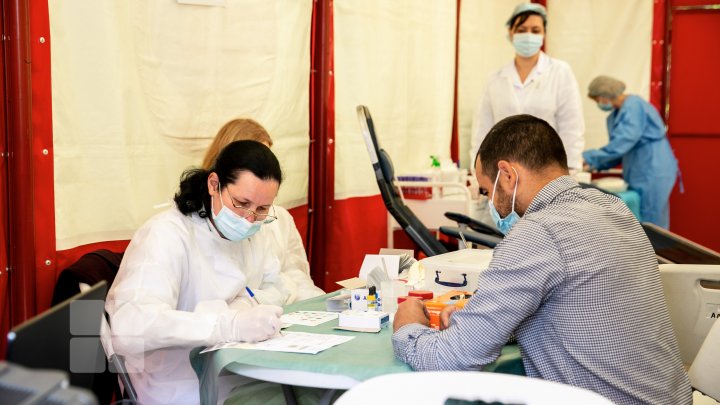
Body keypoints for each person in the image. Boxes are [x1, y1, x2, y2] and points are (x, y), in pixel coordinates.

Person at [393, 115, 692, 405]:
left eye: (487, 191)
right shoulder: (613, 207)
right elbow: (576, 304)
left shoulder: (538, 232)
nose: (489, 202)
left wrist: (407, 327)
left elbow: (451, 359)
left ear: (507, 175)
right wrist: (483, 317)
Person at [106, 141, 290, 405]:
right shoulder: (167, 235)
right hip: (178, 380)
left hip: (241, 366)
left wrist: (248, 303)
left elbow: (278, 287)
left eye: (261, 210)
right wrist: (226, 324)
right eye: (241, 203)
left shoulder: (253, 233)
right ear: (214, 185)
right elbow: (132, 327)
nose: (249, 219)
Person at [203, 118, 324, 302]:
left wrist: (320, 305)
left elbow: (296, 275)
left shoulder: (278, 218)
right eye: (242, 203)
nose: (250, 218)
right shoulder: (194, 225)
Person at [470, 3, 585, 171]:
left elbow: (572, 128)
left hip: (548, 171)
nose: (528, 35)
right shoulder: (495, 79)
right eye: (522, 30)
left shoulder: (560, 72)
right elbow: (482, 131)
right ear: (511, 33)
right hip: (504, 171)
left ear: (544, 34)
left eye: (535, 30)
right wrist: (478, 171)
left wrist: (571, 170)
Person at [583, 75, 679, 229]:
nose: (598, 103)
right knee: (640, 220)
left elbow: (624, 142)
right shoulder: (616, 114)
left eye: (597, 99)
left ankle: (655, 253)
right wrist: (594, 165)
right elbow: (618, 151)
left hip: (652, 169)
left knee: (651, 222)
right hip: (640, 170)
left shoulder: (634, 106)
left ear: (604, 96)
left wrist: (588, 157)